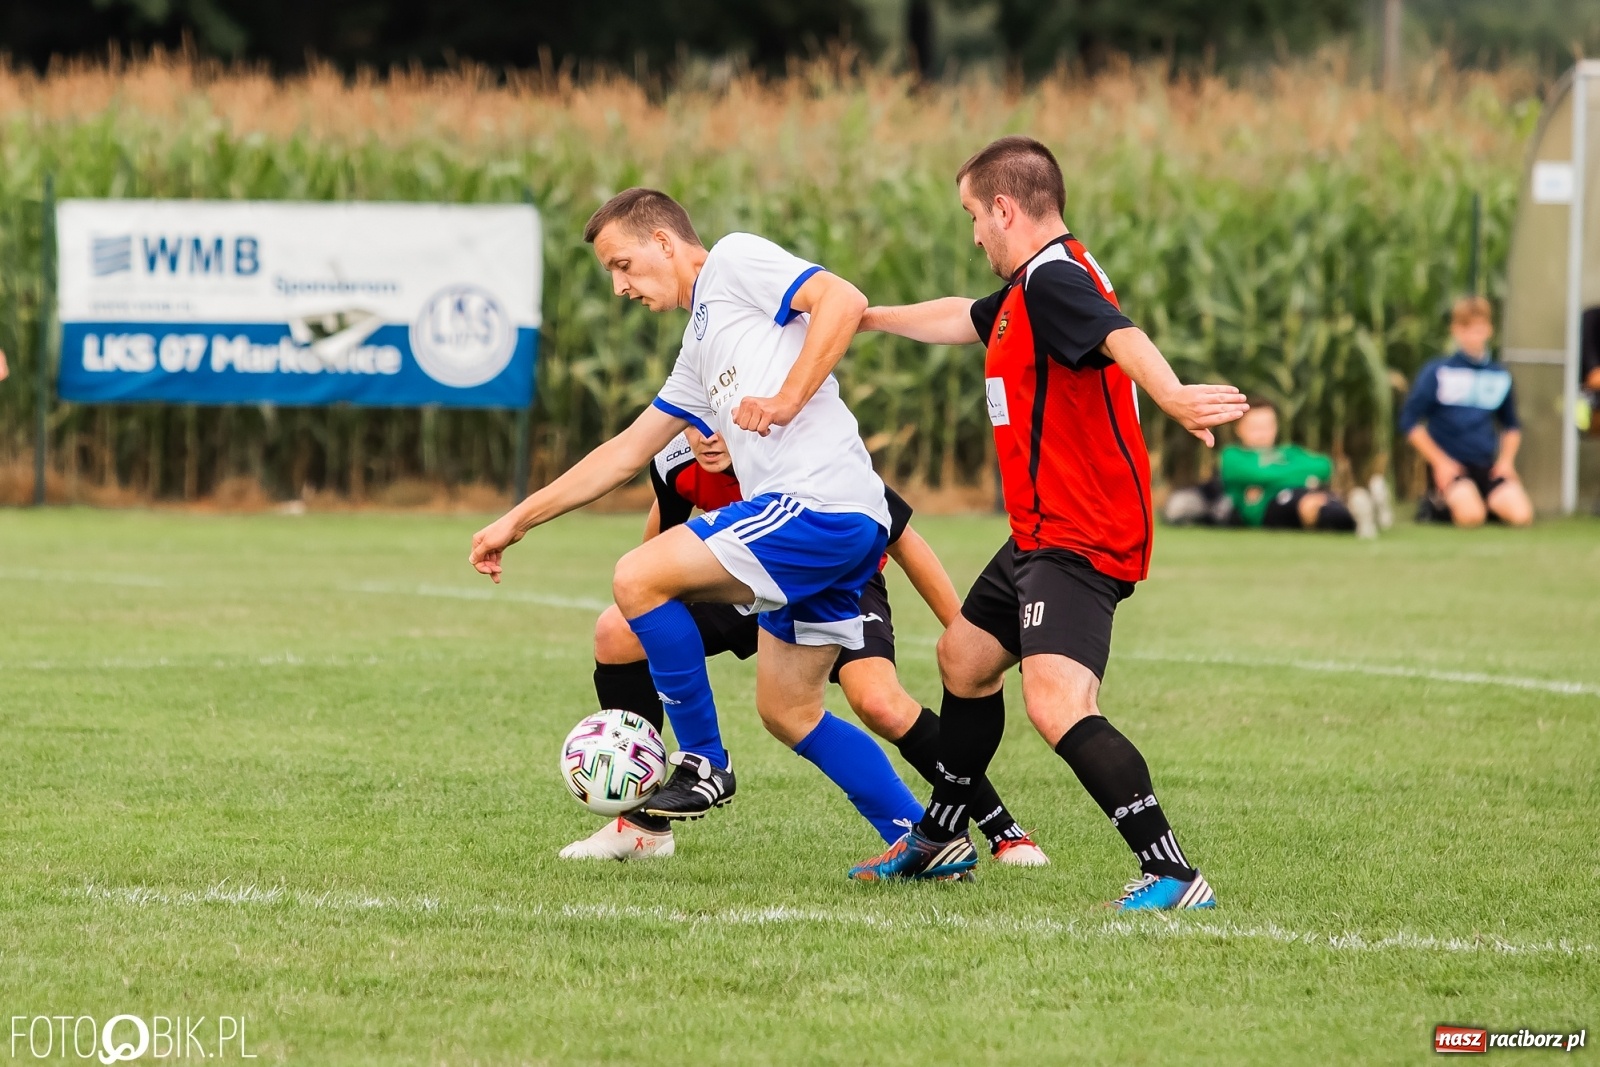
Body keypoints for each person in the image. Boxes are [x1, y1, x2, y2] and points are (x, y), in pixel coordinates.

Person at [845, 136, 1248, 909]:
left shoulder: (1056, 279)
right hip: (1041, 530)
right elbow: (960, 318)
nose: (972, 234)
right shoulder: (1030, 285)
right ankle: (941, 834)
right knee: (964, 656)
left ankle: (1172, 871)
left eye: (972, 215)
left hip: (1082, 530)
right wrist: (860, 317)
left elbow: (1118, 332)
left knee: (1056, 702)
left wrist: (1170, 395)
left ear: (1005, 208)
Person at [470, 188, 929, 852]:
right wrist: (518, 519)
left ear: (663, 242)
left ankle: (705, 759)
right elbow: (627, 450)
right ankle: (919, 832)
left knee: (636, 577)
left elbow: (844, 299)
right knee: (789, 710)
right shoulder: (700, 345)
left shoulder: (734, 261)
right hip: (837, 523)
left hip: (817, 504)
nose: (621, 286)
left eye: (622, 265)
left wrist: (786, 397)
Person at [562, 425, 1047, 865]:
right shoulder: (673, 461)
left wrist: (965, 632)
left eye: (717, 423)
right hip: (746, 580)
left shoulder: (803, 448)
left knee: (880, 703)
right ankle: (643, 823)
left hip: (840, 580)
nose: (706, 437)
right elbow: (660, 550)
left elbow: (905, 542)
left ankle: (1002, 831)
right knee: (618, 632)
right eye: (693, 422)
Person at [1400, 297, 1533, 527]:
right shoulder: (1438, 372)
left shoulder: (1500, 376)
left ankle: (1483, 503)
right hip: (1451, 468)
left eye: (1480, 328)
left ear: (1489, 329)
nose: (1474, 335)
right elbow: (1409, 422)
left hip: (1486, 467)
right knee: (1470, 517)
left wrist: (1506, 462)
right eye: (1467, 328)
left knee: (1521, 515)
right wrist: (1440, 463)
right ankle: (1435, 505)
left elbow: (1511, 426)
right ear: (1456, 331)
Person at [1216, 400, 1384, 537]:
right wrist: (1300, 475)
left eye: (1267, 427)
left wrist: (1272, 475)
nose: (1262, 434)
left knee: (1324, 500)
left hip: (1309, 491)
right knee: (1308, 504)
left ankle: (1366, 514)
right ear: (1239, 428)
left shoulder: (1289, 452)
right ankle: (1360, 520)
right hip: (1269, 506)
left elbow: (1324, 466)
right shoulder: (1233, 455)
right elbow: (1256, 474)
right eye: (1255, 428)